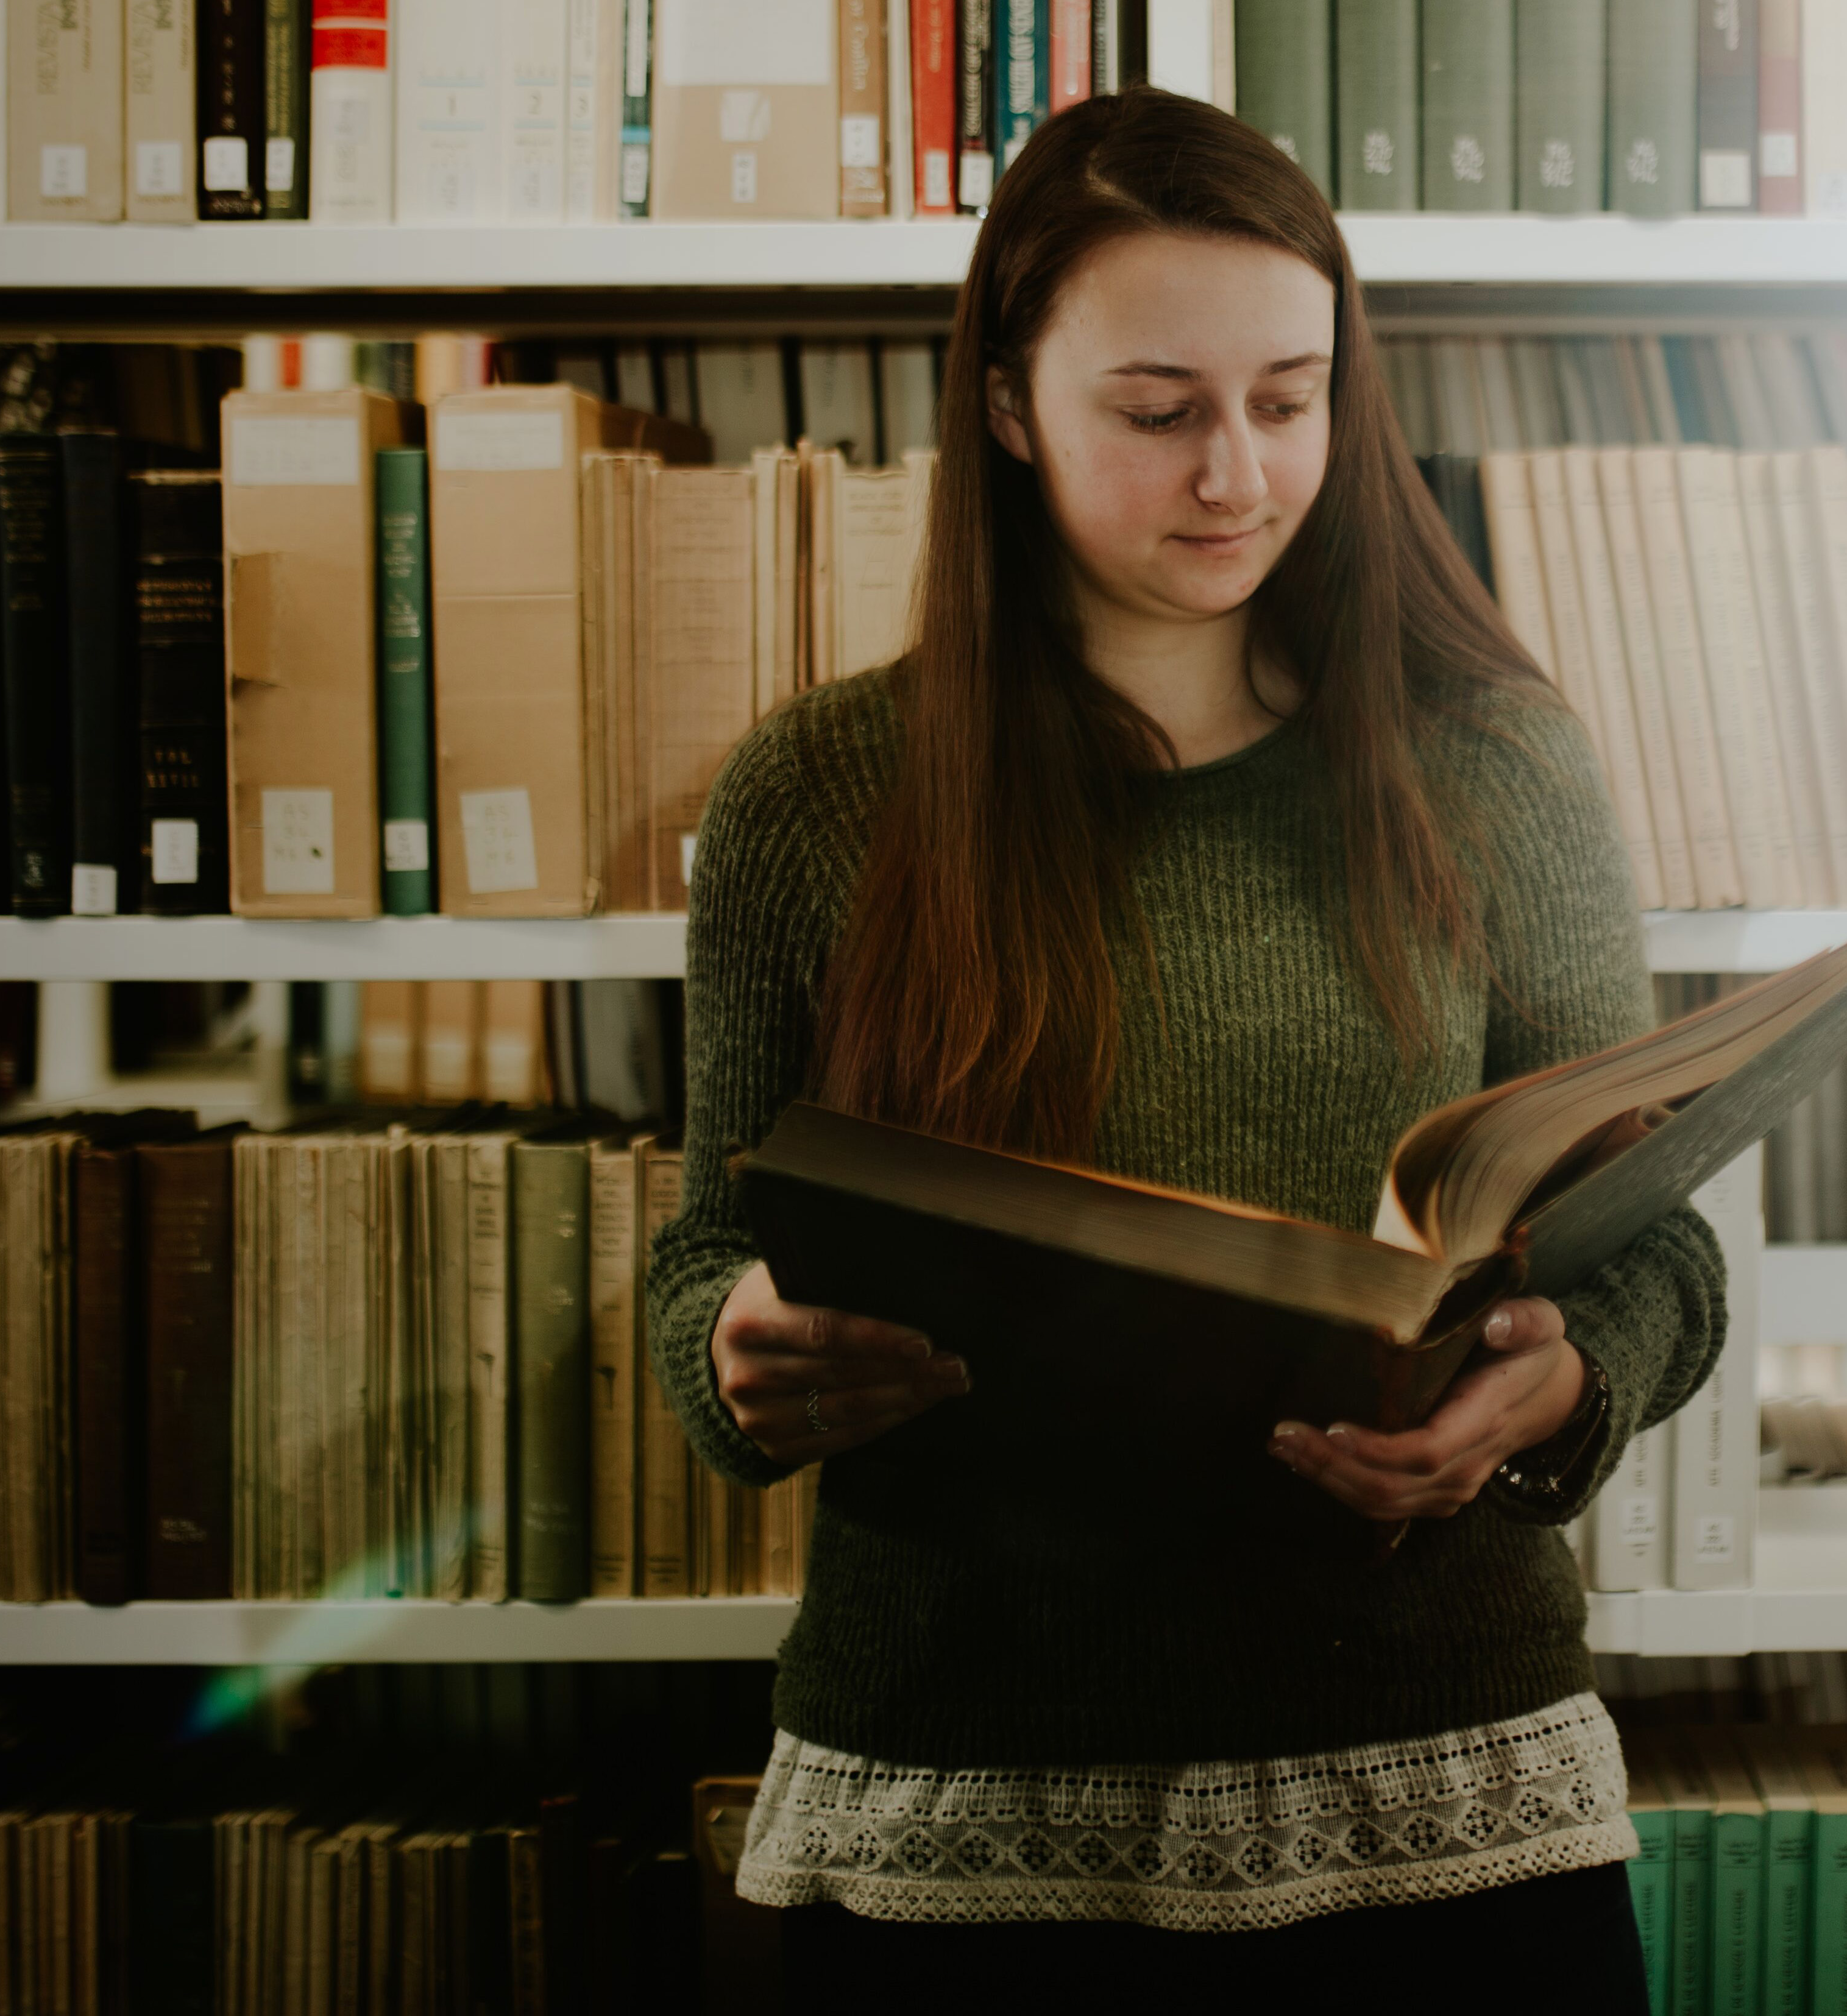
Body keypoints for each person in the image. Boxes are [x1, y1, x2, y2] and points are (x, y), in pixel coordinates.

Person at [642, 87, 1720, 2009]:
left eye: (1291, 399)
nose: (1238, 473)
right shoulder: (823, 792)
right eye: (1160, 411)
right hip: (961, 1783)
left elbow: (1647, 1244)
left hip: (1437, 1776)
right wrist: (735, 1351)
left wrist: (1549, 1400)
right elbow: (699, 1256)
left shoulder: (1490, 760)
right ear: (1003, 401)